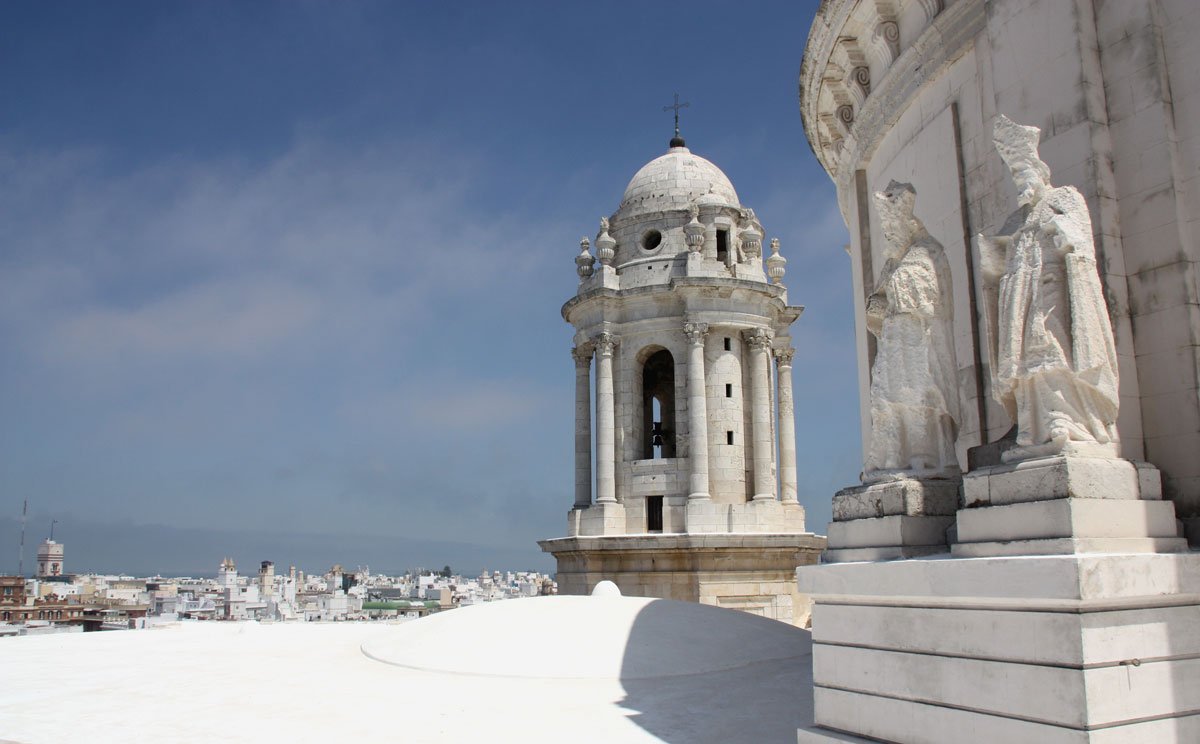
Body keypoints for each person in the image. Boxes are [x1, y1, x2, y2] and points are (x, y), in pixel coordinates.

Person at [977, 115, 1119, 462]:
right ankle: (1032, 425)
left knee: (1055, 353)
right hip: (1022, 299)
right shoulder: (1017, 219)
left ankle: (1067, 420)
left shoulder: (1064, 199)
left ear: (1040, 172)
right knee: (1026, 364)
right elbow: (1000, 266)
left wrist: (1062, 232)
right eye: (1014, 176)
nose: (1020, 182)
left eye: (1023, 174)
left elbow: (1079, 240)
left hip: (1052, 290)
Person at [863, 181, 959, 481]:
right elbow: (879, 300)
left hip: (917, 340)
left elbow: (931, 296)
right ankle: (891, 454)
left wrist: (899, 286)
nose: (887, 239)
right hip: (894, 340)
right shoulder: (895, 261)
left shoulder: (927, 252)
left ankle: (924, 454)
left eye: (891, 233)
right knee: (885, 396)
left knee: (916, 393)